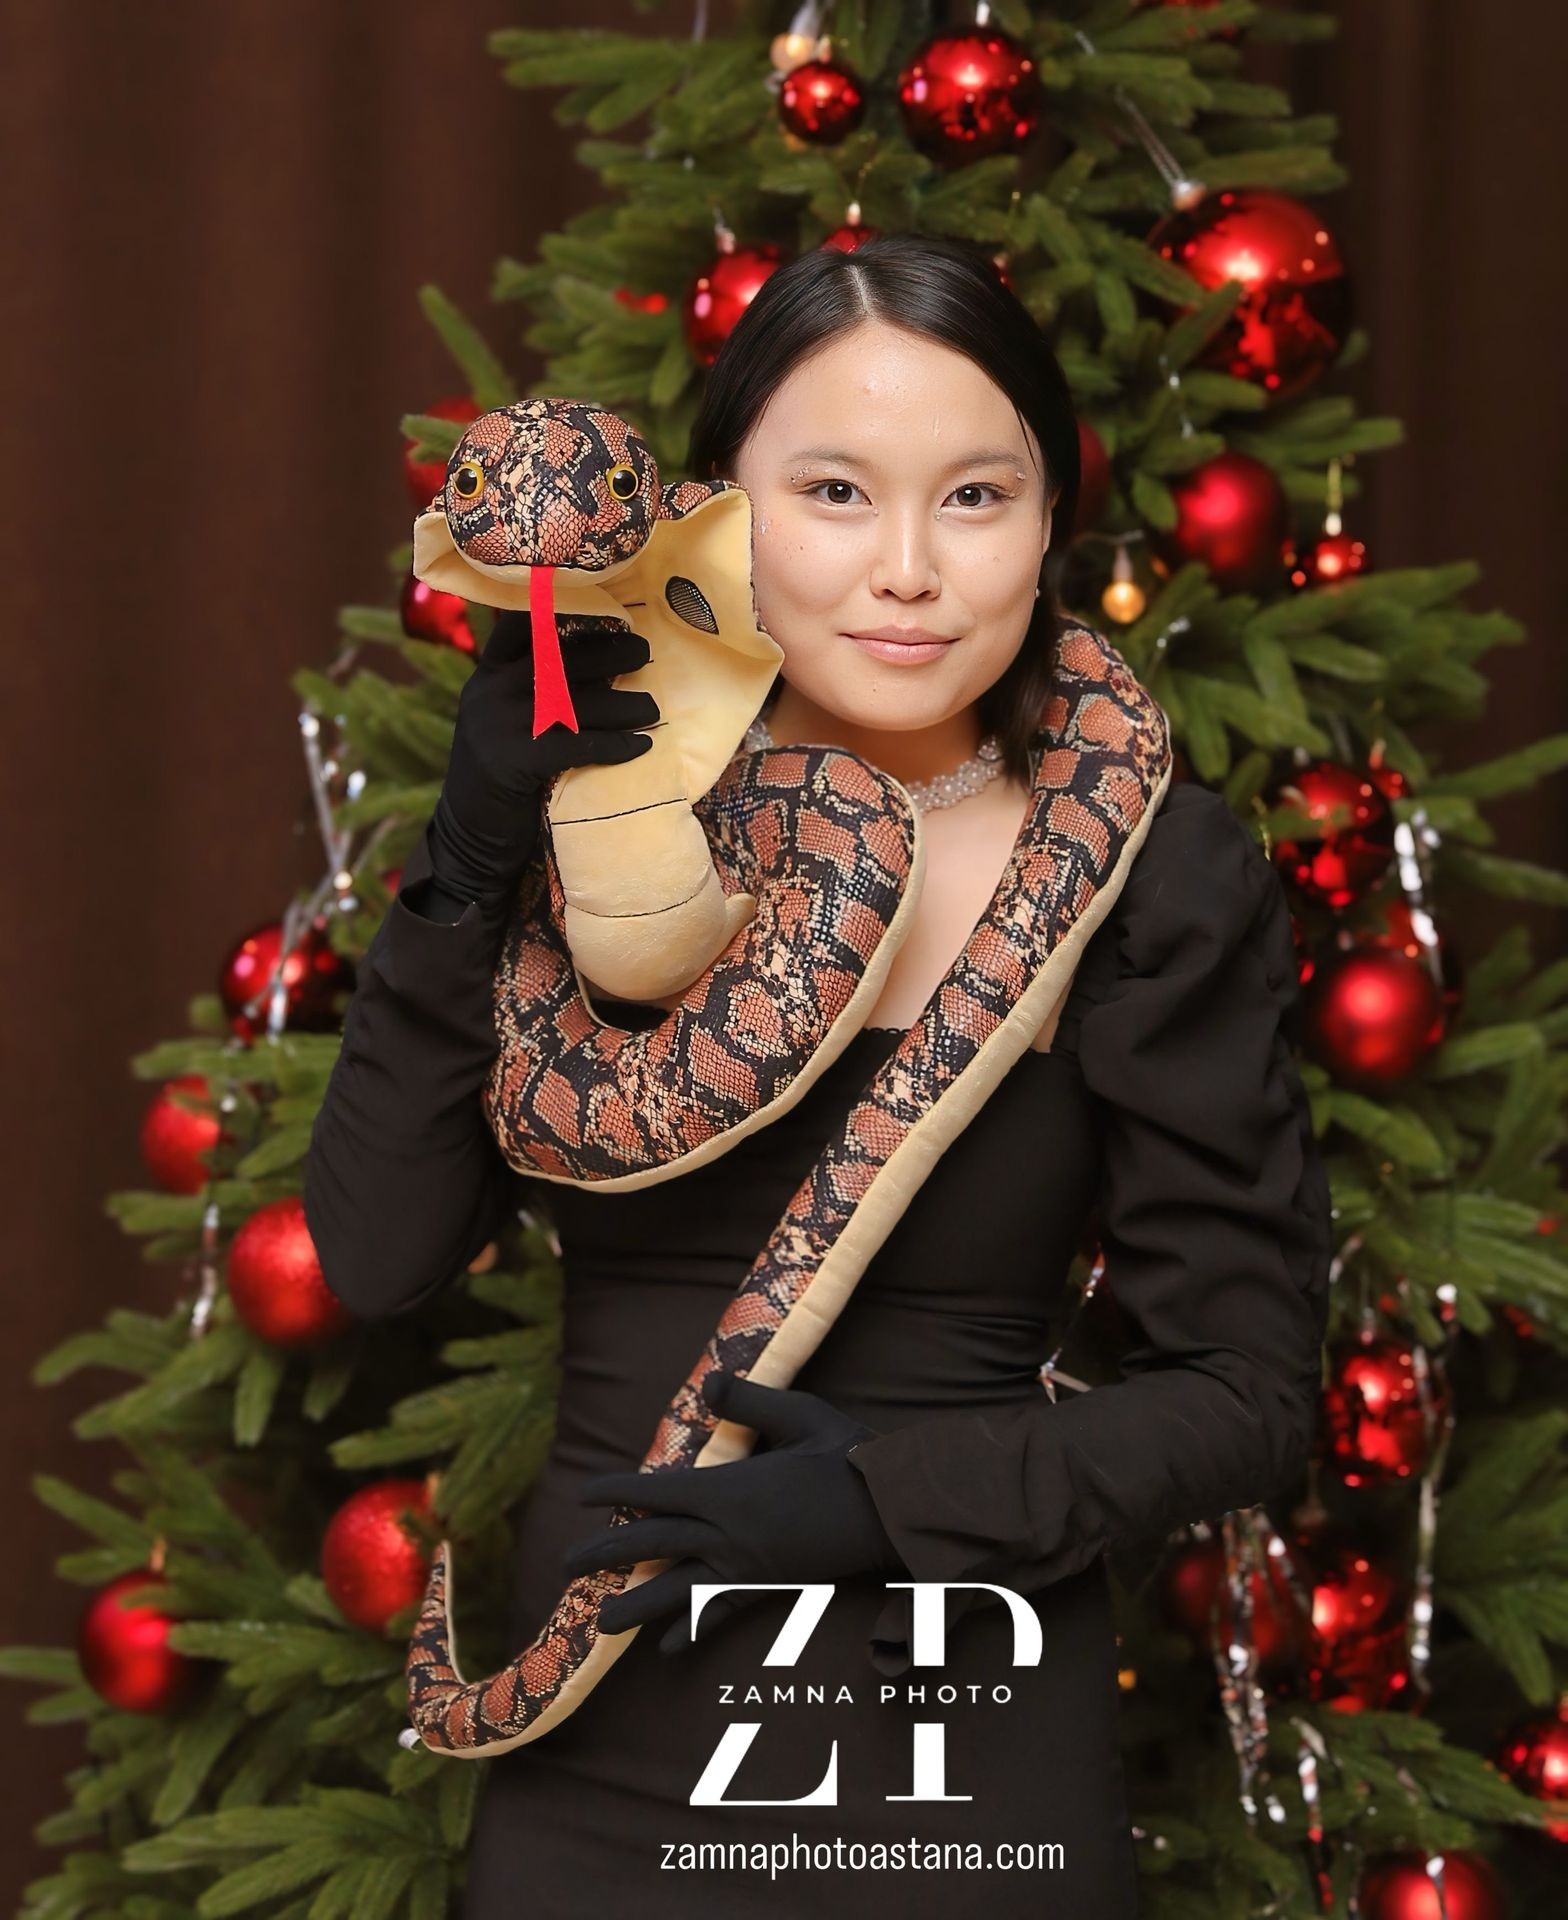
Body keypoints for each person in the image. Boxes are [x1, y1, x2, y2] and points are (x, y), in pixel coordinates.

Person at [304, 233, 1333, 1915]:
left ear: (1053, 524)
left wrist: (877, 1500)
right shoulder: (615, 832)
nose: (909, 571)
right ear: (723, 518)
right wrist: (470, 862)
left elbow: (1246, 1397)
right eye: (838, 492)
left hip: (964, 1736)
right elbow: (373, 1256)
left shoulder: (1153, 875)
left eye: (978, 499)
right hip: (611, 1746)